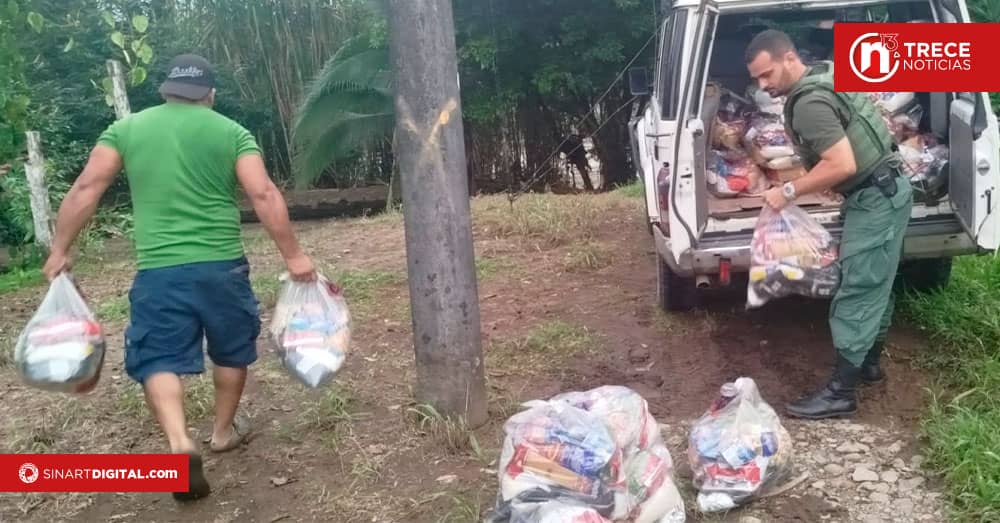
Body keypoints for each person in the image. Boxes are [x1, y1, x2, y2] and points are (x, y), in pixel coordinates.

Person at [42, 54, 318, 500]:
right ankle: (223, 432)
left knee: (159, 358)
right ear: (209, 93)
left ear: (166, 90)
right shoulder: (231, 132)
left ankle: (179, 444)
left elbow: (86, 189)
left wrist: (60, 250)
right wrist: (294, 256)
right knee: (230, 350)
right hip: (222, 265)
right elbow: (262, 193)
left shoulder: (127, 130)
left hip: (159, 270)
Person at [744, 30, 912, 419]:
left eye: (767, 74)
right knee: (877, 281)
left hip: (877, 199)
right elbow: (845, 155)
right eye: (757, 79)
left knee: (858, 288)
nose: (763, 85)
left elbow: (842, 163)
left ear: (789, 58)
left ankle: (841, 392)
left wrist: (787, 192)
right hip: (884, 190)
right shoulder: (828, 73)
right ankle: (868, 366)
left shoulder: (809, 102)